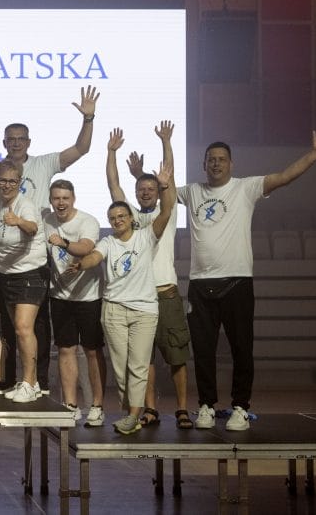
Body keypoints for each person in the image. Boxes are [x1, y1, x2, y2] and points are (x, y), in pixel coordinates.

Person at [173, 127, 316, 431]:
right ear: (203, 164)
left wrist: (315, 154)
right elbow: (159, 188)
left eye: (222, 159)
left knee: (241, 350)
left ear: (231, 164)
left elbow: (285, 176)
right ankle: (207, 406)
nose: (216, 163)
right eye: (211, 159)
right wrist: (145, 166)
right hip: (200, 285)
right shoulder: (192, 191)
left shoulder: (246, 187)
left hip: (237, 283)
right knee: (204, 351)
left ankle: (240, 408)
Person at [0, 86, 99, 396]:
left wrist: (88, 118)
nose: (16, 143)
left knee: (35, 325)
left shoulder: (44, 163)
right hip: (6, 261)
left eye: (21, 139)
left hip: (36, 256)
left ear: (28, 142)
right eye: (10, 139)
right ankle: (11, 380)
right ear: (4, 143)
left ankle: (37, 380)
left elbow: (81, 149)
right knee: (10, 326)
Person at [65, 159, 175, 435]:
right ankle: (130, 413)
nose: (117, 221)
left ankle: (133, 415)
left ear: (131, 218)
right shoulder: (108, 241)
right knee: (121, 367)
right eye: (113, 218)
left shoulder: (146, 236)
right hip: (114, 310)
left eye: (122, 216)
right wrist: (81, 264)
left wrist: (164, 187)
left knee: (138, 365)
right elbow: (94, 257)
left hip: (144, 311)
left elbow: (167, 210)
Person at [108, 122, 191, 429]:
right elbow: (114, 186)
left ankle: (182, 409)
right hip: (138, 299)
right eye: (141, 189)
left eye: (151, 189)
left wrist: (166, 142)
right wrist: (111, 152)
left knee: (176, 356)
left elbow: (168, 175)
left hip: (165, 293)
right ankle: (151, 409)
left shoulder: (166, 213)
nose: (145, 192)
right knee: (144, 360)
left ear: (159, 192)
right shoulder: (129, 218)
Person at [42, 180, 106, 426]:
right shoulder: (47, 220)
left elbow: (86, 247)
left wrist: (65, 243)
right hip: (60, 295)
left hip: (88, 295)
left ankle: (97, 405)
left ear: (73, 199)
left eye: (65, 198)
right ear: (51, 200)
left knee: (92, 350)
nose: (61, 203)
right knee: (65, 349)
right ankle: (70, 404)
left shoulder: (87, 221)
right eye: (56, 198)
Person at [0, 161, 47, 404]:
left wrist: (18, 222)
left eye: (12, 181)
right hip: (7, 275)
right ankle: (29, 382)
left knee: (23, 329)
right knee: (17, 331)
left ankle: (30, 383)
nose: (7, 185)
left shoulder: (25, 204)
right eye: (2, 180)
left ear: (19, 182)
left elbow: (32, 228)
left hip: (29, 274)